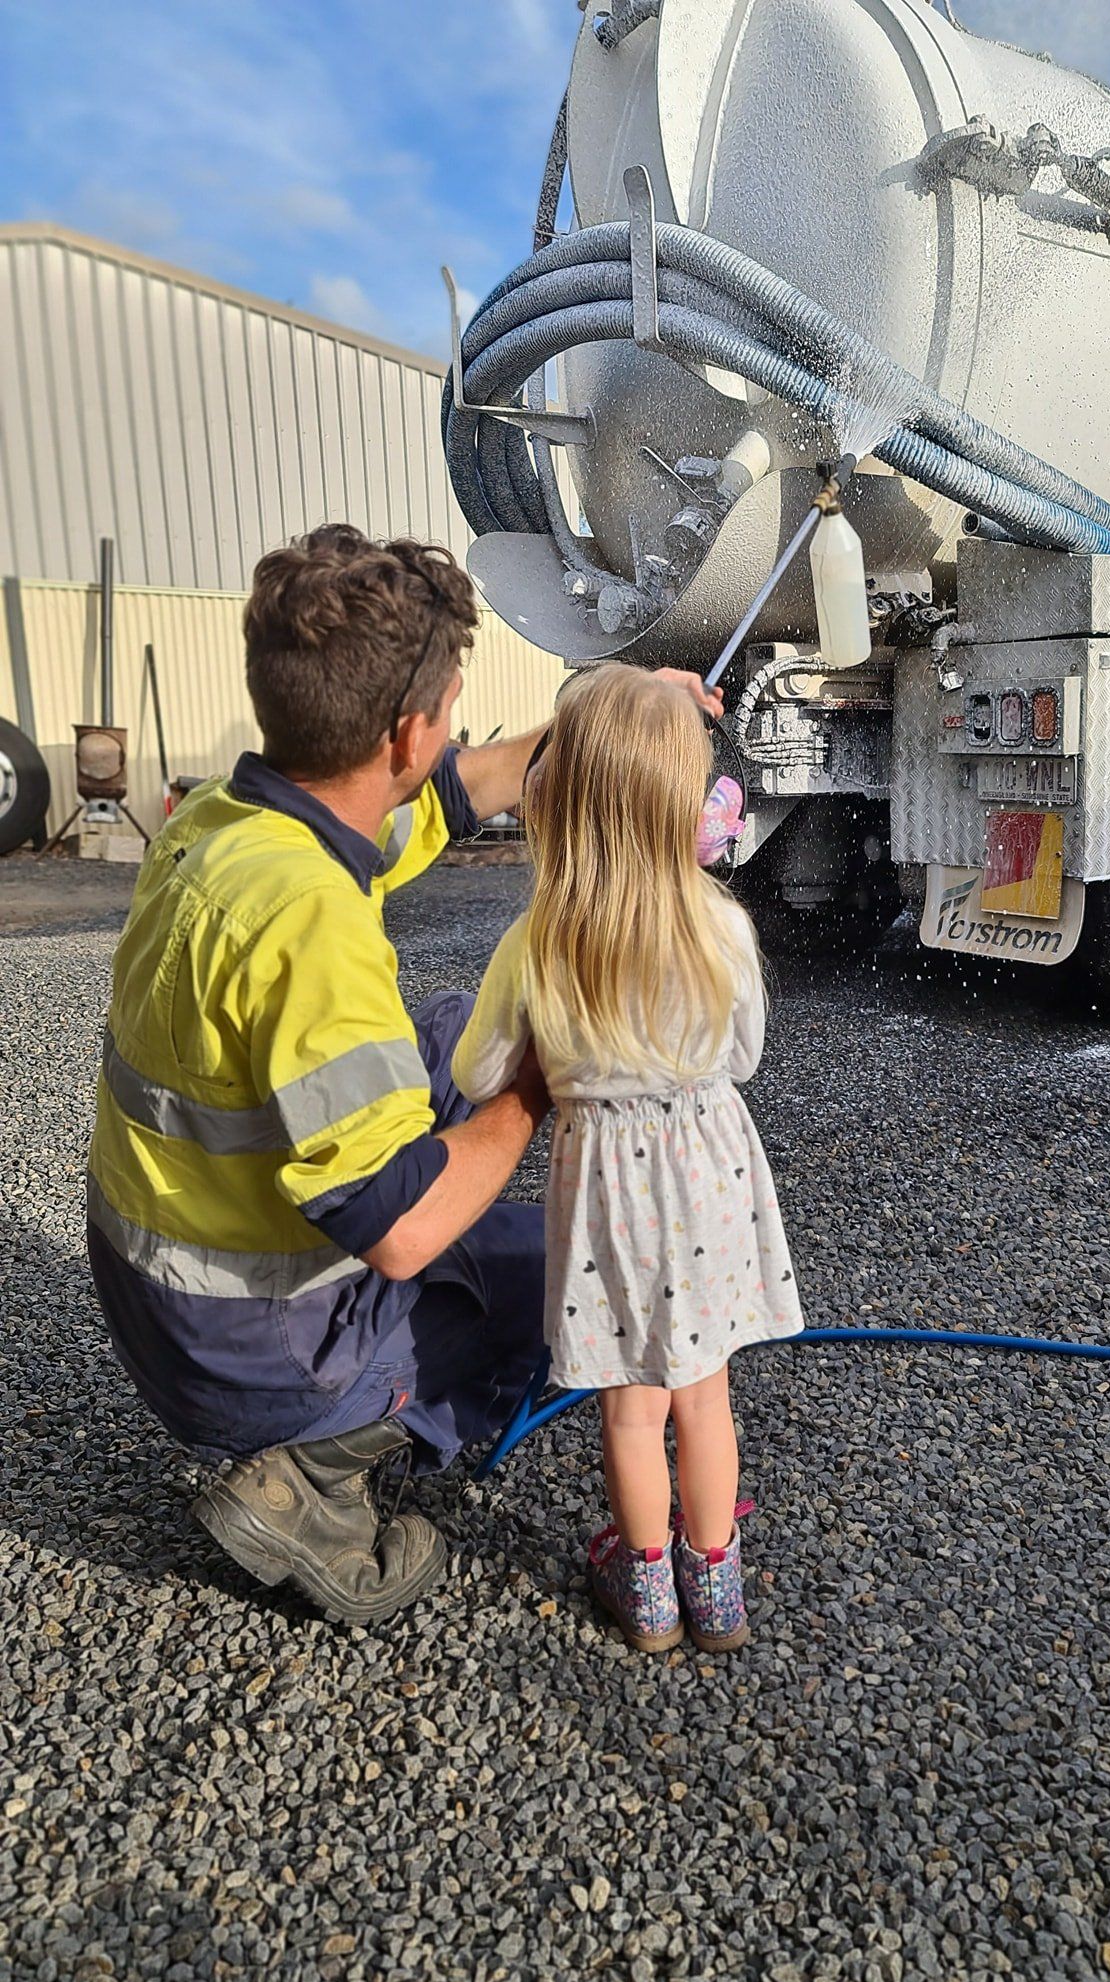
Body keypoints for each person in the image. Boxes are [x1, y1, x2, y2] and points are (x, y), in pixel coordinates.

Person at [86, 525, 717, 1625]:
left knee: (438, 1031)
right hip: (252, 1339)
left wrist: (599, 723)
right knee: (579, 1267)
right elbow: (402, 1229)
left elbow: (452, 797)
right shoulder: (308, 926)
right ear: (410, 729)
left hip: (167, 1285)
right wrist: (536, 1079)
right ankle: (309, 1475)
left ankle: (303, 1422)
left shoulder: (228, 818)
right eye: (452, 707)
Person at [451, 663, 803, 1654]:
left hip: (604, 1185)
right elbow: (744, 1056)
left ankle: (646, 1590)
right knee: (706, 1395)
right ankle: (717, 1583)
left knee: (630, 1408)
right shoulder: (722, 923)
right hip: (708, 1175)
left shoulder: (538, 938)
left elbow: (478, 1069)